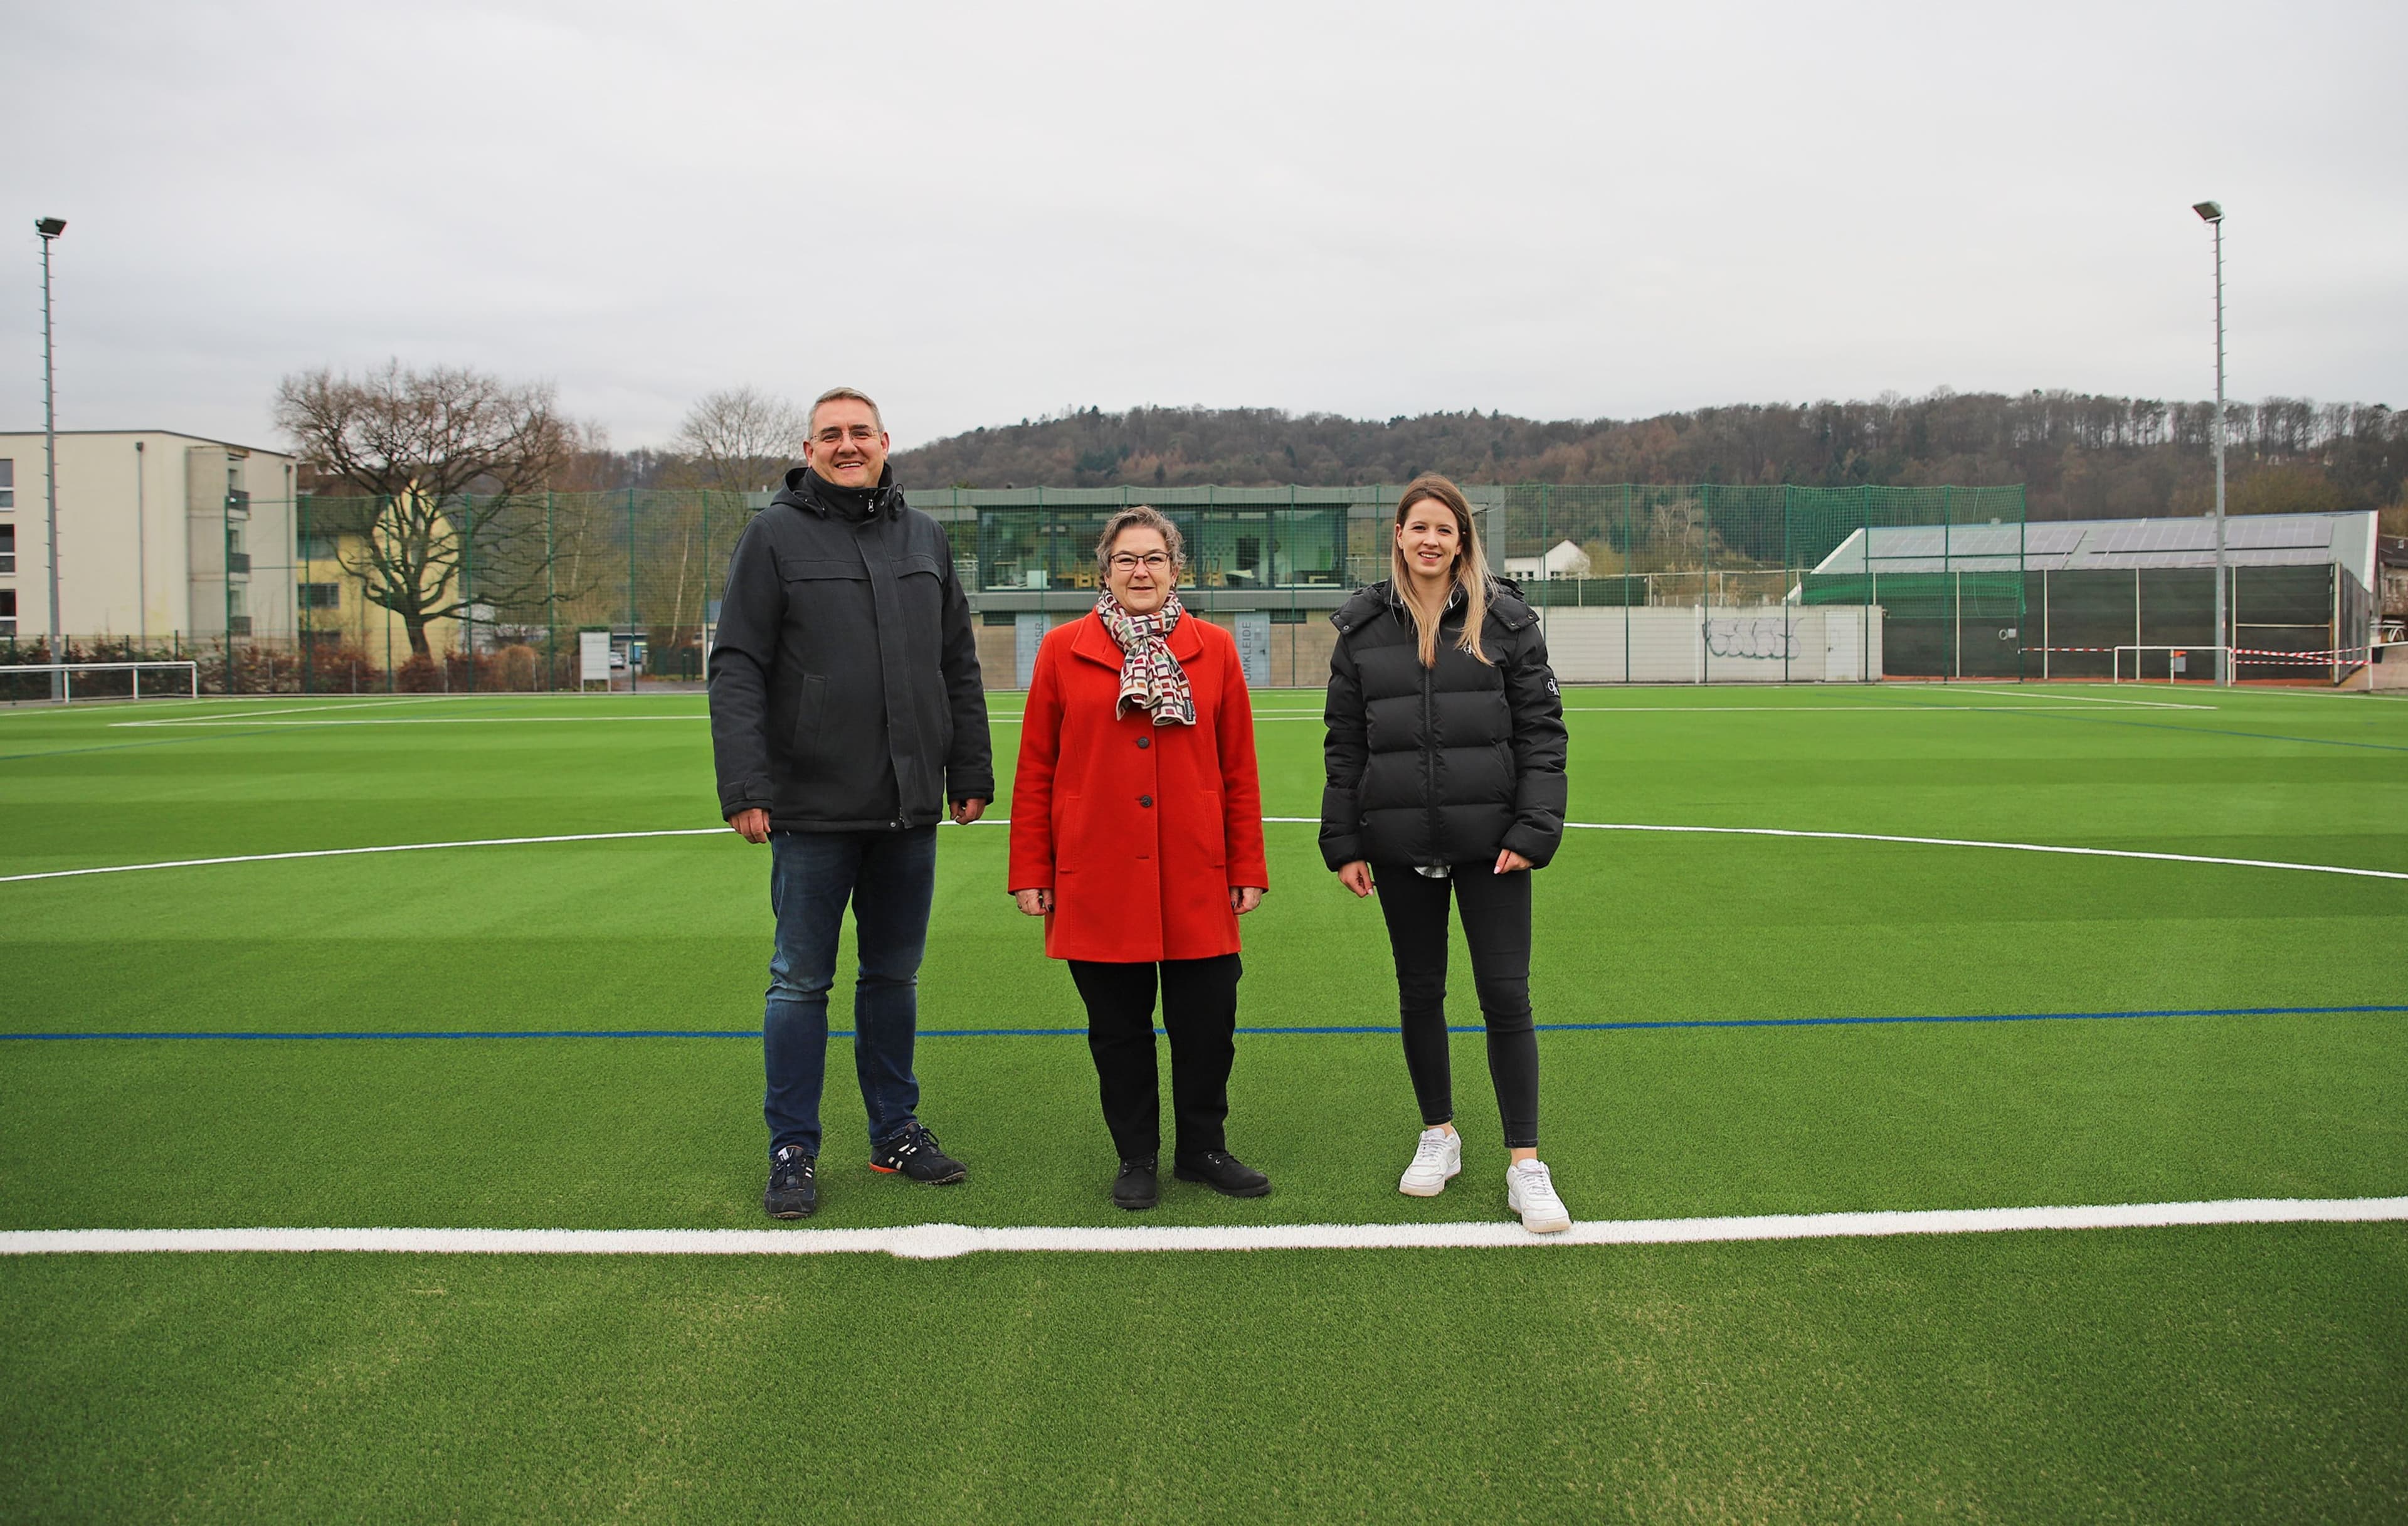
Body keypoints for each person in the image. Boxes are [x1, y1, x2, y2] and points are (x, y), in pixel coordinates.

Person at [708, 386, 993, 1220]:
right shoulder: (772, 537)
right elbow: (737, 667)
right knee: (799, 983)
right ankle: (792, 1146)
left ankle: (895, 1131)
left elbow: (956, 665)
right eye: (830, 434)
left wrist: (968, 770)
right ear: (809, 447)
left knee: (894, 975)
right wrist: (746, 784)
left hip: (907, 808)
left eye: (858, 432)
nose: (845, 444)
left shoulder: (925, 536)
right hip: (810, 806)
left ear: (884, 442)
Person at [1319, 474, 1573, 1232]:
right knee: (1419, 992)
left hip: (1491, 845)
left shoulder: (1509, 622)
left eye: (1446, 529)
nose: (1431, 540)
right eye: (1418, 527)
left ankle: (1526, 1165)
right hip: (1400, 843)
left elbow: (1543, 734)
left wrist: (1533, 830)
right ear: (1397, 534)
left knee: (1506, 996)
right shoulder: (1362, 630)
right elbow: (1345, 746)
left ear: (1463, 540)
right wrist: (1345, 840)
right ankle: (1440, 1135)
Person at [1008, 506, 1272, 1210]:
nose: (1140, 571)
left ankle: (1202, 1149)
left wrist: (1247, 865)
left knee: (1208, 1025)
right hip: (1096, 873)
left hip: (1196, 871)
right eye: (1126, 559)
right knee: (1118, 1032)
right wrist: (1031, 870)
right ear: (1105, 570)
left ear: (1176, 568)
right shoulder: (1062, 649)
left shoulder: (1213, 649)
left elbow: (1238, 769)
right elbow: (1037, 768)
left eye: (1154, 558)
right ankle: (1136, 1157)